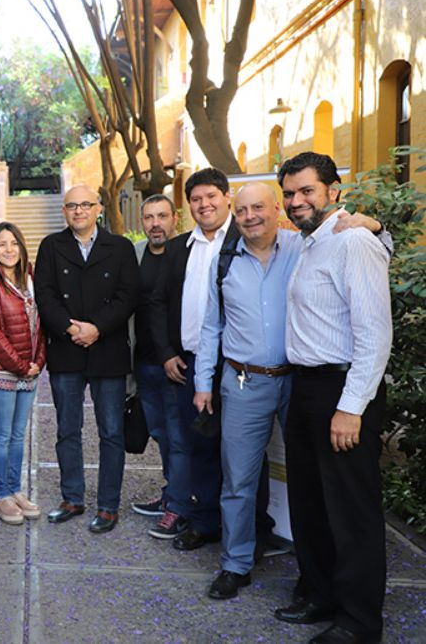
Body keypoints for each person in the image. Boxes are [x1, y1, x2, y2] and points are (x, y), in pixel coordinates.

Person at [191, 183, 387, 601]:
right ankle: (236, 563)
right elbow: (211, 326)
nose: (250, 217)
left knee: (310, 481)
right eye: (242, 210)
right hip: (243, 382)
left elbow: (367, 254)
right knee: (239, 479)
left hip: (300, 381)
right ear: (234, 214)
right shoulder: (224, 260)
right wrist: (203, 383)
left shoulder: (305, 246)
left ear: (276, 208)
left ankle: (314, 574)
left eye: (258, 207)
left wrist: (376, 225)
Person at [275, 152, 392, 644]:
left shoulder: (353, 241)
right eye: (289, 193)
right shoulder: (309, 242)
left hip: (342, 391)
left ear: (333, 191)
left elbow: (375, 334)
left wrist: (351, 406)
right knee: (310, 503)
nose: (296, 201)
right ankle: (320, 594)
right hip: (305, 387)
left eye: (307, 190)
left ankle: (359, 622)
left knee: (351, 511)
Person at [34, 185, 138, 534]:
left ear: (99, 208)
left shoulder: (119, 247)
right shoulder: (51, 247)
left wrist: (97, 328)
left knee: (111, 431)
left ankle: (108, 505)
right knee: (67, 429)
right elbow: (45, 295)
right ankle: (72, 498)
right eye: (71, 206)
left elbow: (128, 296)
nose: (78, 211)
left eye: (85, 204)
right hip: (66, 350)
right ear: (64, 211)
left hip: (108, 349)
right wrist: (70, 328)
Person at [148, 168, 236, 548]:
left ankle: (246, 529)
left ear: (227, 197)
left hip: (236, 365)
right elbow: (157, 302)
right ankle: (204, 522)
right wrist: (167, 353)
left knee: (241, 449)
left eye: (211, 196)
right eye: (196, 199)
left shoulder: (244, 239)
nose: (204, 204)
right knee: (199, 444)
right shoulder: (178, 247)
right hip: (189, 363)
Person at [0, 222, 46, 524]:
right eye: (2, 244)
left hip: (29, 371)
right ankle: (2, 494)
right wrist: (21, 366)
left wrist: (39, 361)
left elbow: (41, 324)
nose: (9, 250)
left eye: (14, 243)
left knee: (18, 436)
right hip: (0, 372)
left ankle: (15, 490)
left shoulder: (30, 278)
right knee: (2, 435)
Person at [130, 194, 179, 518]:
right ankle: (171, 494)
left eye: (162, 216)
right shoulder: (134, 254)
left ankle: (180, 502)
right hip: (144, 363)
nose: (155, 223)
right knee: (160, 434)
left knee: (180, 436)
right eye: (149, 217)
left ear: (174, 218)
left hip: (177, 365)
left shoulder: (186, 253)